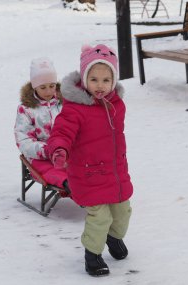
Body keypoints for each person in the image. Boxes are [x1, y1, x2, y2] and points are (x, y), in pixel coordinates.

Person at [47, 44, 133, 276]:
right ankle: (92, 255)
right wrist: (59, 150)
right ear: (84, 79)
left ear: (113, 81)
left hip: (115, 171)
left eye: (106, 80)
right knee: (100, 217)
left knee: (123, 211)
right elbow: (61, 133)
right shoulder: (75, 109)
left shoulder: (117, 105)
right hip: (88, 173)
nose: (100, 86)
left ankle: (114, 238)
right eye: (93, 79)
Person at [14, 57, 67, 189]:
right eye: (43, 87)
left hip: (66, 152)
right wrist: (48, 150)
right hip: (39, 156)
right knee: (51, 171)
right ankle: (68, 184)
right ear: (34, 86)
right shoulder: (26, 109)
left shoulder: (64, 103)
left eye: (52, 86)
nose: (49, 91)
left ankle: (92, 188)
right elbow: (24, 141)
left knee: (82, 166)